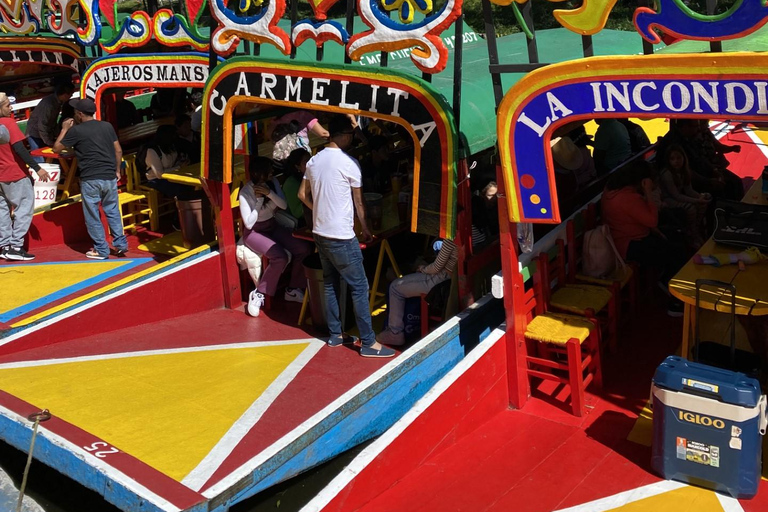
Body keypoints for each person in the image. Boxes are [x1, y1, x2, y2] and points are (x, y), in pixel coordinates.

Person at [298, 114, 395, 358]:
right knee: (359, 287)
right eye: (351, 135)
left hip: (320, 233)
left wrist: (318, 209)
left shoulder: (313, 161)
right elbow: (359, 203)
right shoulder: (350, 163)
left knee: (331, 284)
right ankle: (369, 343)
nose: (353, 138)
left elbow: (302, 195)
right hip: (341, 236)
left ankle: (335, 335)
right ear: (343, 135)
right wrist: (366, 228)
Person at [601, 161, 688, 316]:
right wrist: (648, 193)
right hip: (630, 245)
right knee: (678, 253)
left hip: (625, 239)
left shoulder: (613, 191)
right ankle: (674, 299)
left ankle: (667, 277)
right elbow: (651, 220)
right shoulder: (628, 197)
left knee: (674, 237)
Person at [53, 98, 128, 260]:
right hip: (109, 175)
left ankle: (101, 249)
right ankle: (120, 244)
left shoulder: (76, 131)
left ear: (80, 114)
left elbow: (56, 148)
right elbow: (118, 151)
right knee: (113, 211)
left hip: (90, 178)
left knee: (92, 214)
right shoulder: (107, 126)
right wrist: (117, 170)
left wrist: (64, 129)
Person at [240, 156, 312, 317]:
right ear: (259, 173)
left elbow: (283, 205)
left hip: (272, 226)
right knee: (279, 257)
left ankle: (293, 289)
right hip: (254, 233)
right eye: (269, 170)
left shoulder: (273, 184)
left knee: (303, 248)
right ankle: (259, 293)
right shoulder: (245, 192)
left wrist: (269, 193)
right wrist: (258, 201)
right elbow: (249, 223)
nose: (273, 172)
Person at [378, 238, 457, 345]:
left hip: (441, 281)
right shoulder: (480, 230)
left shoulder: (452, 238)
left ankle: (395, 333)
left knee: (395, 287)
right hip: (453, 279)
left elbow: (436, 267)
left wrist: (423, 269)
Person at [0, 93, 49, 261]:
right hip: (14, 173)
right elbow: (20, 149)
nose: (11, 108)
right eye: (7, 106)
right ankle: (15, 246)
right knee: (24, 208)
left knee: (2, 210)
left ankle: (4, 245)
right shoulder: (8, 124)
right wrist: (37, 168)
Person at [658, 144, 710, 249]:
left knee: (703, 203)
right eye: (673, 159)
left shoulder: (684, 171)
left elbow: (688, 190)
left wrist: (700, 197)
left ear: (683, 158)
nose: (676, 161)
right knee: (691, 208)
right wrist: (696, 200)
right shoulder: (667, 174)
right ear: (668, 161)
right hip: (667, 199)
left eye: (679, 158)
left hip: (676, 197)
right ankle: (692, 233)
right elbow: (675, 195)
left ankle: (695, 228)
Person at [141, 124, 198, 200]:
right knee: (179, 188)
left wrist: (181, 162)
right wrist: (179, 167)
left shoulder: (171, 147)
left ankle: (186, 205)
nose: (176, 137)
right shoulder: (152, 151)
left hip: (172, 175)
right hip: (156, 179)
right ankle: (182, 206)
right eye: (174, 135)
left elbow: (172, 163)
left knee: (189, 184)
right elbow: (160, 174)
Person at [26, 82, 75, 159]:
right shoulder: (48, 104)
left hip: (46, 134)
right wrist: (48, 142)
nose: (70, 97)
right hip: (35, 134)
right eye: (70, 95)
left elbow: (52, 121)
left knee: (50, 158)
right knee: (39, 159)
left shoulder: (58, 102)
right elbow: (42, 125)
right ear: (65, 95)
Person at [282, 148, 311, 225]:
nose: (311, 163)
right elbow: (297, 213)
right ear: (297, 167)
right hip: (300, 222)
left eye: (311, 160)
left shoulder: (314, 176)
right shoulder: (291, 184)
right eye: (306, 162)